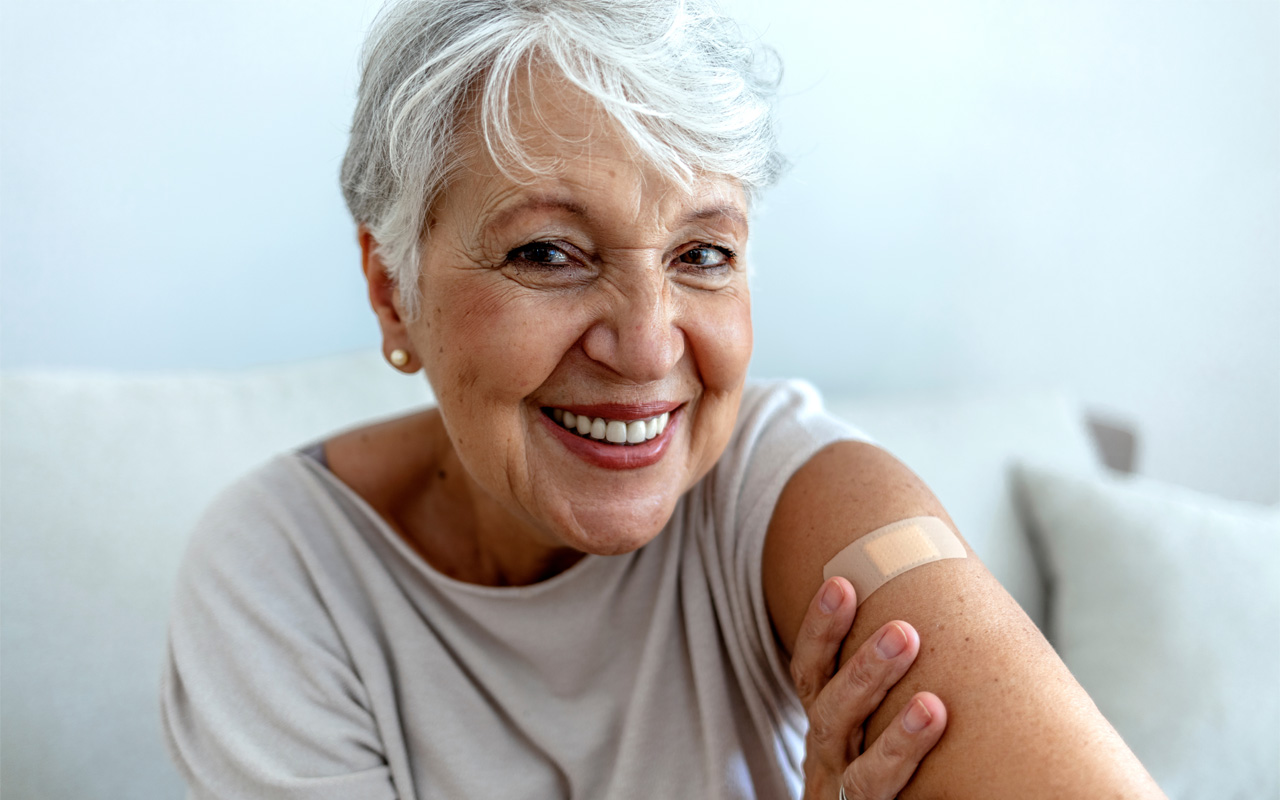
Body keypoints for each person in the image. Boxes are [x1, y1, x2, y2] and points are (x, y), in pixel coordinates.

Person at [160, 1, 1167, 798]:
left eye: (701, 254)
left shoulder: (801, 494)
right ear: (393, 289)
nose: (646, 345)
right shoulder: (280, 571)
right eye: (546, 251)